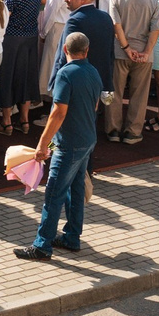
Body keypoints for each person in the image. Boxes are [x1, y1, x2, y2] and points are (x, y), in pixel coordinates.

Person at [15, 30, 104, 261]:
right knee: (75, 191)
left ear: (65, 50)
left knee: (54, 194)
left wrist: (42, 144)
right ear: (87, 51)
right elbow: (94, 106)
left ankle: (42, 246)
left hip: (68, 144)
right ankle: (72, 237)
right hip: (87, 139)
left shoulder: (65, 74)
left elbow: (58, 113)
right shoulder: (93, 71)